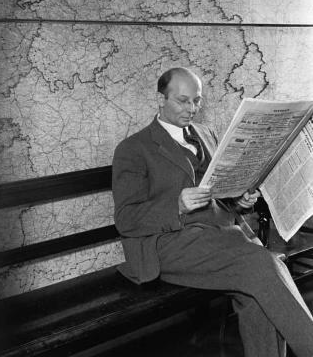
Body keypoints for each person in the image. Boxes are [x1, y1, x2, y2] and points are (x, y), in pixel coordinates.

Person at [112, 67, 313, 357]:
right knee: (263, 265)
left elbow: (219, 194)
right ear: (160, 99)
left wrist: (240, 201)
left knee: (258, 290)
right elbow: (126, 219)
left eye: (197, 101)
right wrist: (176, 205)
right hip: (170, 243)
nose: (192, 108)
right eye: (183, 101)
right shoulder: (134, 149)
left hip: (221, 237)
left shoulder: (206, 134)